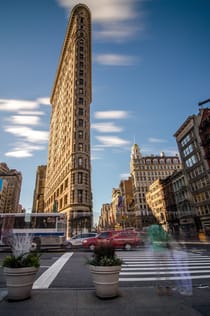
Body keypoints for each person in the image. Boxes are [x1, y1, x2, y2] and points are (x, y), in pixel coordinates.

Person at [147, 224, 172, 295]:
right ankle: (168, 287)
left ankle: (159, 288)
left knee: (157, 270)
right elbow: (165, 238)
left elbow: (150, 241)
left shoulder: (151, 230)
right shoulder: (161, 229)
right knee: (166, 269)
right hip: (163, 251)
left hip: (156, 251)